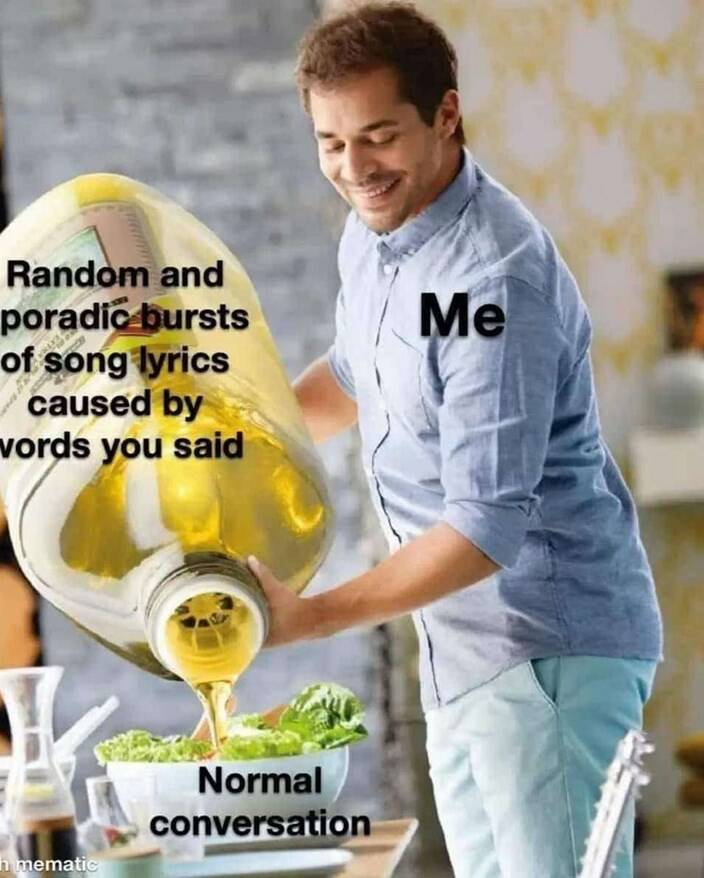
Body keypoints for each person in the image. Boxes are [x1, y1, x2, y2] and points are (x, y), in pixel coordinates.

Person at [246, 3, 663, 877]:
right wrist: (232, 430)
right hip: (463, 656)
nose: (354, 169)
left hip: (546, 653)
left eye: (379, 137)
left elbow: (483, 528)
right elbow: (355, 376)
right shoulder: (377, 236)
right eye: (331, 143)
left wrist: (309, 618)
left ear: (445, 115)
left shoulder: (491, 280)